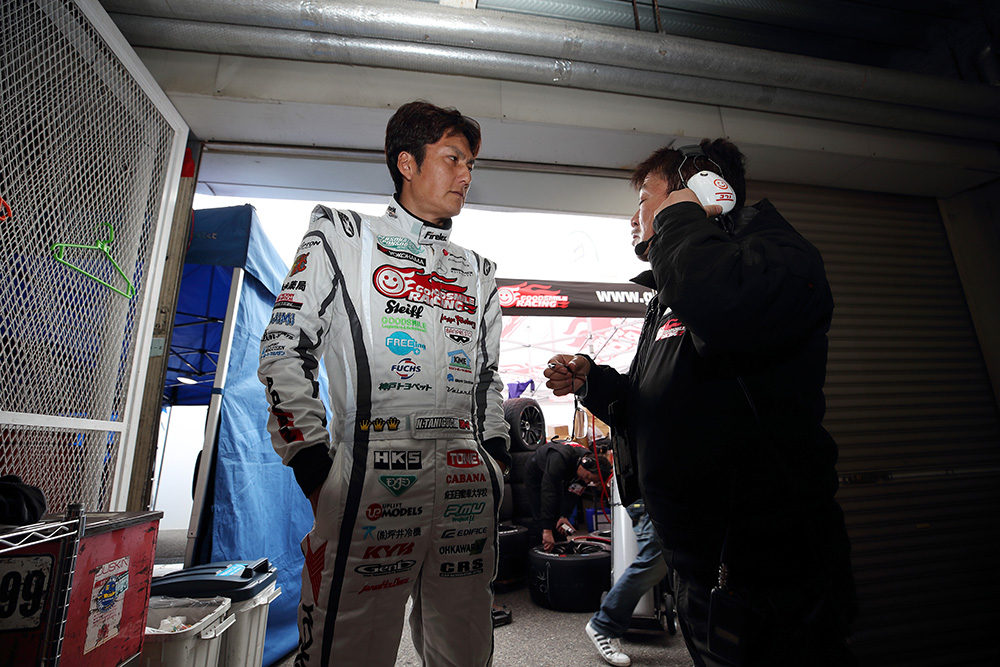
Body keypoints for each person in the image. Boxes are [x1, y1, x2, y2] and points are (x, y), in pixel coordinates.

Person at [545, 139, 857, 666]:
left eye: (645, 199)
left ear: (703, 191)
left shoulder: (771, 256)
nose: (635, 217)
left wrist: (678, 219)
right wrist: (593, 382)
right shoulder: (674, 291)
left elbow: (724, 307)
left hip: (767, 566)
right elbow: (652, 402)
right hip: (697, 560)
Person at [258, 101, 510, 667]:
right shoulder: (342, 237)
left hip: (467, 483)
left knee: (466, 649)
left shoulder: (478, 271)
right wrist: (312, 465)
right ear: (407, 163)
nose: (466, 175)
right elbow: (282, 348)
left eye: (471, 164)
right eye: (453, 159)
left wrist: (494, 456)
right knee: (349, 650)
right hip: (370, 479)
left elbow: (488, 378)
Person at [585, 500, 668, 667]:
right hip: (651, 499)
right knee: (654, 560)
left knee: (666, 559)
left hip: (667, 497)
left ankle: (703, 636)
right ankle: (603, 625)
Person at [524, 440, 612, 551]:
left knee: (558, 509)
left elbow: (573, 494)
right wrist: (547, 530)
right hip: (536, 472)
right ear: (585, 464)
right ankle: (543, 546)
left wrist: (564, 516)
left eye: (590, 481)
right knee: (542, 512)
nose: (586, 481)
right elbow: (549, 492)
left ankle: (558, 541)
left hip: (562, 473)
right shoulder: (560, 458)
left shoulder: (586, 465)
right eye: (588, 477)